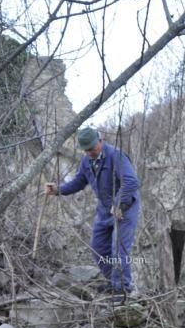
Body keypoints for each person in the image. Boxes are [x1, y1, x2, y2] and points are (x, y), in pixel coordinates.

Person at [45, 127, 140, 303]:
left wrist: (119, 204)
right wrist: (58, 190)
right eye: (86, 149)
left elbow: (132, 181)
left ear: (100, 140)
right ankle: (113, 282)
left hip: (125, 208)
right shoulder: (86, 161)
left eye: (92, 148)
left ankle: (123, 289)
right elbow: (78, 182)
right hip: (104, 210)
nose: (89, 152)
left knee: (118, 249)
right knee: (98, 249)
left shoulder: (116, 155)